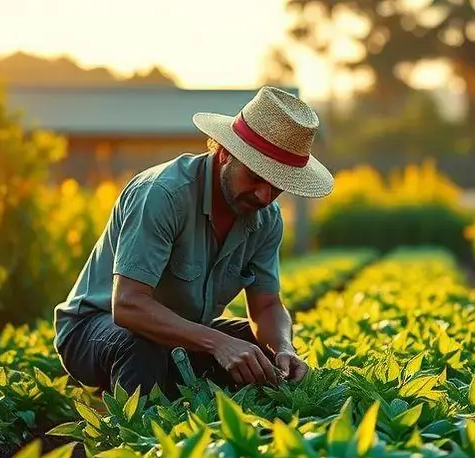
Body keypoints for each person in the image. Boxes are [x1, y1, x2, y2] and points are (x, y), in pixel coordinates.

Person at [52, 86, 335, 399]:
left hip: (180, 337)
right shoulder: (163, 194)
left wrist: (284, 348)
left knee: (258, 349)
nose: (264, 196)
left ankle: (239, 428)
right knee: (141, 346)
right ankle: (143, 438)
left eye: (277, 187)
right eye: (255, 178)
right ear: (226, 152)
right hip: (96, 329)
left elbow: (266, 305)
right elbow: (128, 306)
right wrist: (217, 342)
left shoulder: (266, 217)